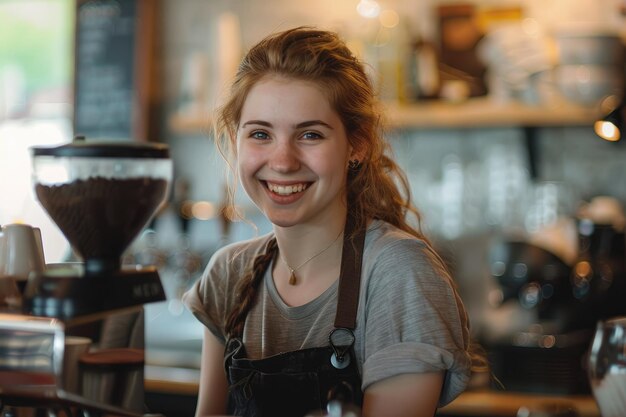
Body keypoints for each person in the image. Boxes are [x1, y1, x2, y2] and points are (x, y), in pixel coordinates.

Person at [183, 26, 475, 417]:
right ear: (235, 141)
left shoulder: (397, 274)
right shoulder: (228, 275)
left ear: (357, 143)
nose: (283, 161)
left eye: (310, 135)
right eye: (260, 134)